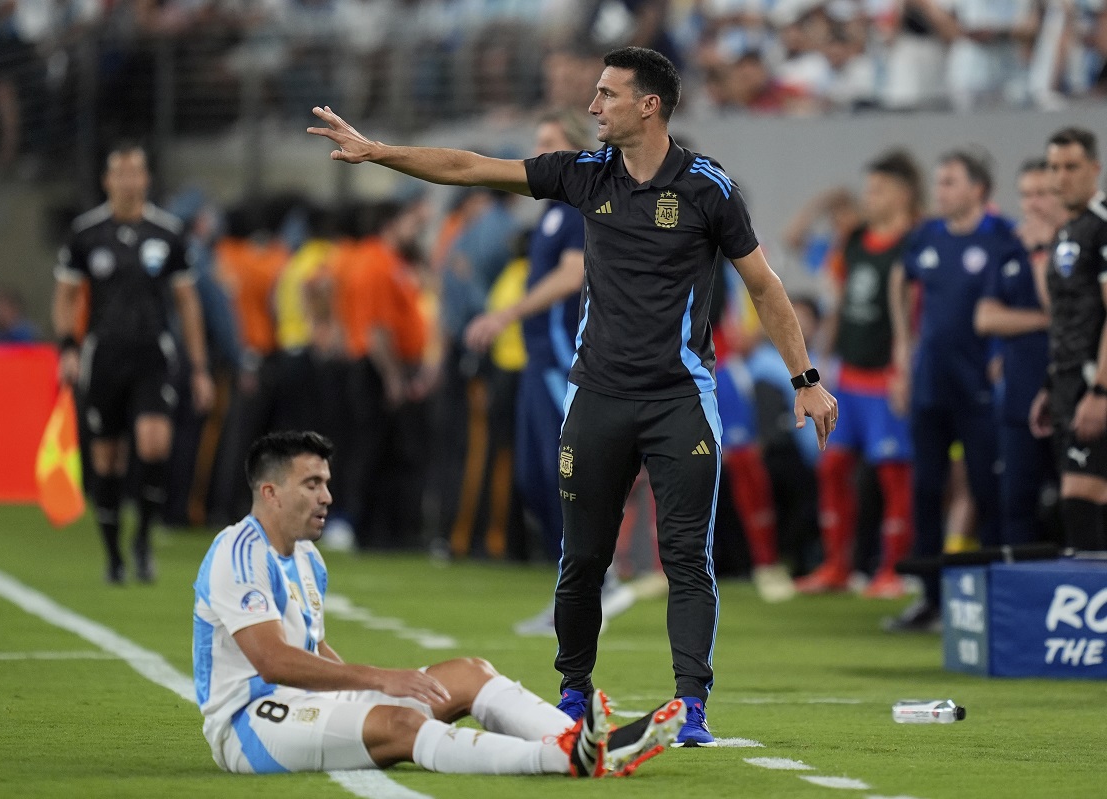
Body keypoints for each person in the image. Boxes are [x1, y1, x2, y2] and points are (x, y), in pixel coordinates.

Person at [307, 45, 837, 747]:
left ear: (649, 104)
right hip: (597, 398)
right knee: (582, 557)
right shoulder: (585, 175)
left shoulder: (709, 188)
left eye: (608, 95)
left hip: (681, 400)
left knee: (686, 557)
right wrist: (378, 153)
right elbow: (469, 167)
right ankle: (574, 693)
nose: (593, 107)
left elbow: (765, 287)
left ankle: (692, 706)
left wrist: (806, 379)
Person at [191, 430, 685, 777]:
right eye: (312, 484)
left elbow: (311, 645)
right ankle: (563, 758)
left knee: (469, 672)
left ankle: (595, 742)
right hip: (251, 723)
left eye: (326, 482)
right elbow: (272, 660)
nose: (327, 496)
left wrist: (356, 693)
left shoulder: (305, 556)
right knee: (403, 723)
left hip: (305, 703)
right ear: (271, 492)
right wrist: (378, 680)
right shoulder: (237, 553)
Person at [52, 142, 214, 584]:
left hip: (152, 356)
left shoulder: (167, 233)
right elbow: (66, 296)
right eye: (119, 172)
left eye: (135, 171)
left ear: (146, 179)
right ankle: (113, 556)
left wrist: (199, 368)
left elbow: (188, 303)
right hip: (104, 355)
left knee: (154, 445)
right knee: (107, 459)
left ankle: (143, 539)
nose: (128, 180)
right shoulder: (86, 233)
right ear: (107, 181)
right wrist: (68, 345)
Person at [886, 148, 1028, 631]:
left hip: (980, 389)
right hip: (930, 384)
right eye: (940, 181)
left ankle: (991, 599)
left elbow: (1018, 300)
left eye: (949, 182)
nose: (940, 190)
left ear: (977, 189)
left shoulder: (1002, 238)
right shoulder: (928, 235)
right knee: (926, 489)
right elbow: (901, 280)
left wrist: (1003, 358)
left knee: (988, 491)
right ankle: (931, 600)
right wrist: (904, 352)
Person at [465, 109, 592, 562]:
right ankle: (574, 582)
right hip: (536, 357)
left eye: (547, 142)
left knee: (565, 471)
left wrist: (505, 316)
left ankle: (591, 579)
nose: (536, 153)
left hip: (562, 357)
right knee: (533, 475)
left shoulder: (579, 207)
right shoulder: (551, 213)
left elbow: (573, 274)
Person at [796, 149, 923, 600]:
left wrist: (905, 369)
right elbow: (839, 303)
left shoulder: (917, 243)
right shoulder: (855, 239)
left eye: (879, 189)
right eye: (867, 188)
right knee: (831, 466)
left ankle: (894, 569)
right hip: (846, 374)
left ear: (904, 193)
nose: (870, 197)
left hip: (887, 376)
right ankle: (837, 566)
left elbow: (915, 313)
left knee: (894, 474)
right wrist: (821, 365)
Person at [974, 159, 1061, 546]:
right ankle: (1026, 598)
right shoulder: (1010, 250)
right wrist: (1043, 320)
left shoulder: (1079, 245)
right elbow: (986, 318)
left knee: (1073, 501)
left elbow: (1061, 310)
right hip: (1019, 395)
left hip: (1070, 394)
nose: (1033, 204)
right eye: (1026, 194)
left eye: (1042, 193)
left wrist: (1042, 254)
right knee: (1016, 502)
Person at [1029, 127, 1107, 551]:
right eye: (1054, 167)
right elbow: (1067, 320)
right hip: (1068, 384)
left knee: (1082, 503)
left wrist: (1100, 391)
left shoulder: (1102, 227)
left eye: (1071, 167)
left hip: (1095, 387)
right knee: (1078, 504)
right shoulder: (1064, 233)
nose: (1061, 177)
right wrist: (1050, 384)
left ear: (1094, 168)